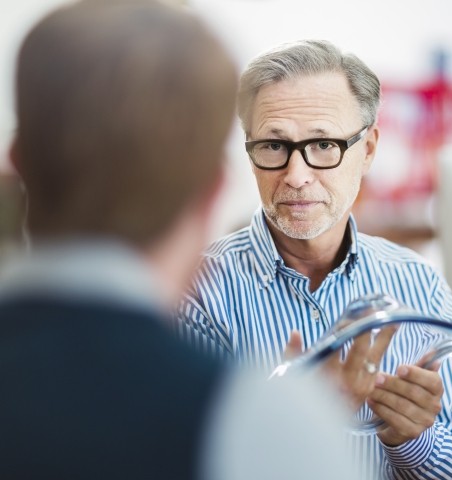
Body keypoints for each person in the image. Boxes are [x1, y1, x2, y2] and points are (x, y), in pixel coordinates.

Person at [0, 2, 356, 480]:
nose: (297, 175)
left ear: (16, 166)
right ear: (212, 190)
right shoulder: (269, 423)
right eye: (275, 147)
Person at [177, 39, 452, 479]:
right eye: (274, 147)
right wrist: (301, 422)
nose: (296, 177)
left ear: (368, 150)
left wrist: (411, 437)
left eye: (323, 145)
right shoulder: (197, 291)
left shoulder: (420, 287)